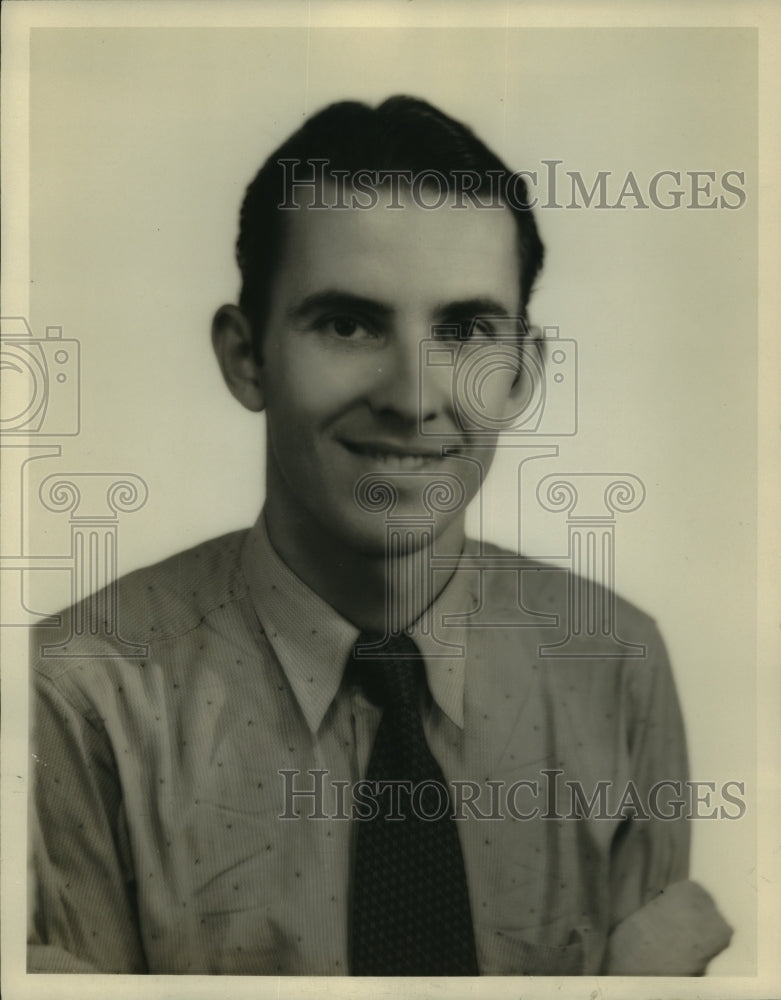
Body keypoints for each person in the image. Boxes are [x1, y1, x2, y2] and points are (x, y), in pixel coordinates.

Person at [28, 96, 732, 976]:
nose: (411, 396)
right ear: (246, 357)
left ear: (522, 373)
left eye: (465, 331)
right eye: (348, 324)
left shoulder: (617, 663)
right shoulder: (74, 695)